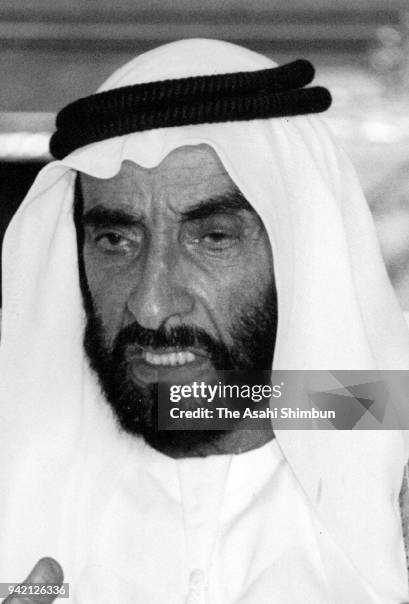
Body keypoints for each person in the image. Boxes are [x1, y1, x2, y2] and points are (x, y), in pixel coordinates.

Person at [1, 38, 409, 604]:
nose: (150, 305)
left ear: (303, 249)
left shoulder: (388, 452)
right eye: (116, 239)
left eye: (213, 238)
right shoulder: (18, 457)